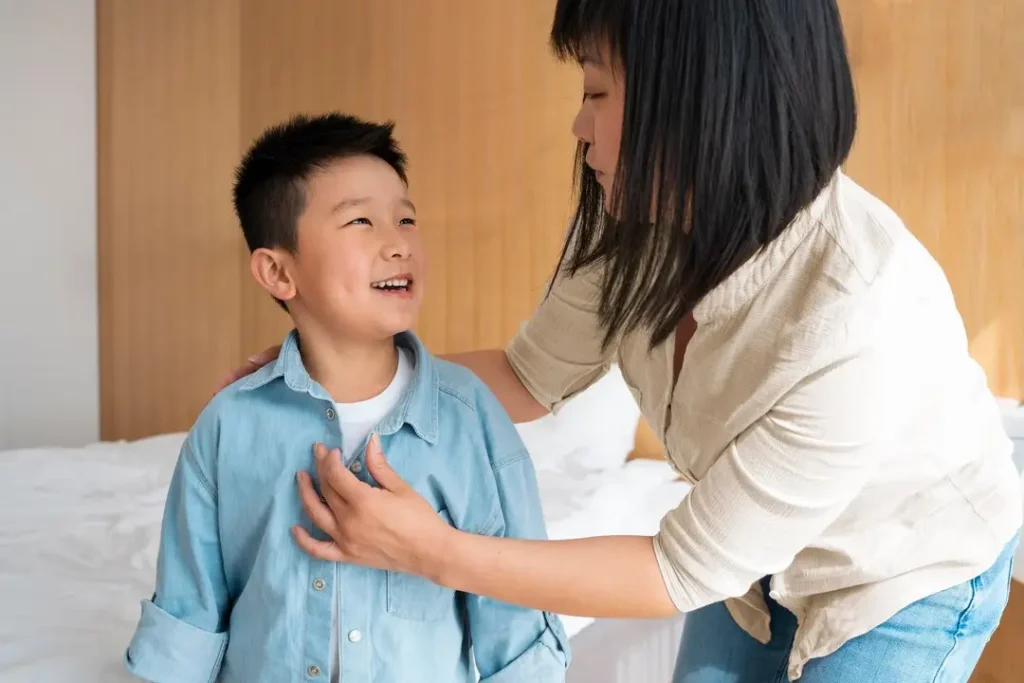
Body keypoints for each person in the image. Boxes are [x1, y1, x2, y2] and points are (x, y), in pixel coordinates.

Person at [226, 2, 1022, 682]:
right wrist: (352, 371)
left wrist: (433, 551)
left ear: (703, 103)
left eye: (597, 90)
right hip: (749, 553)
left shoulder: (855, 319)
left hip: (900, 569)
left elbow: (672, 569)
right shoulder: (632, 220)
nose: (579, 124)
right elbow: (527, 375)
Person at [126, 113, 569, 683]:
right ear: (279, 273)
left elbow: (516, 620)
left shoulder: (472, 419)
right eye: (361, 220)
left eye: (406, 219)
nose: (397, 243)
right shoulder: (229, 424)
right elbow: (191, 613)